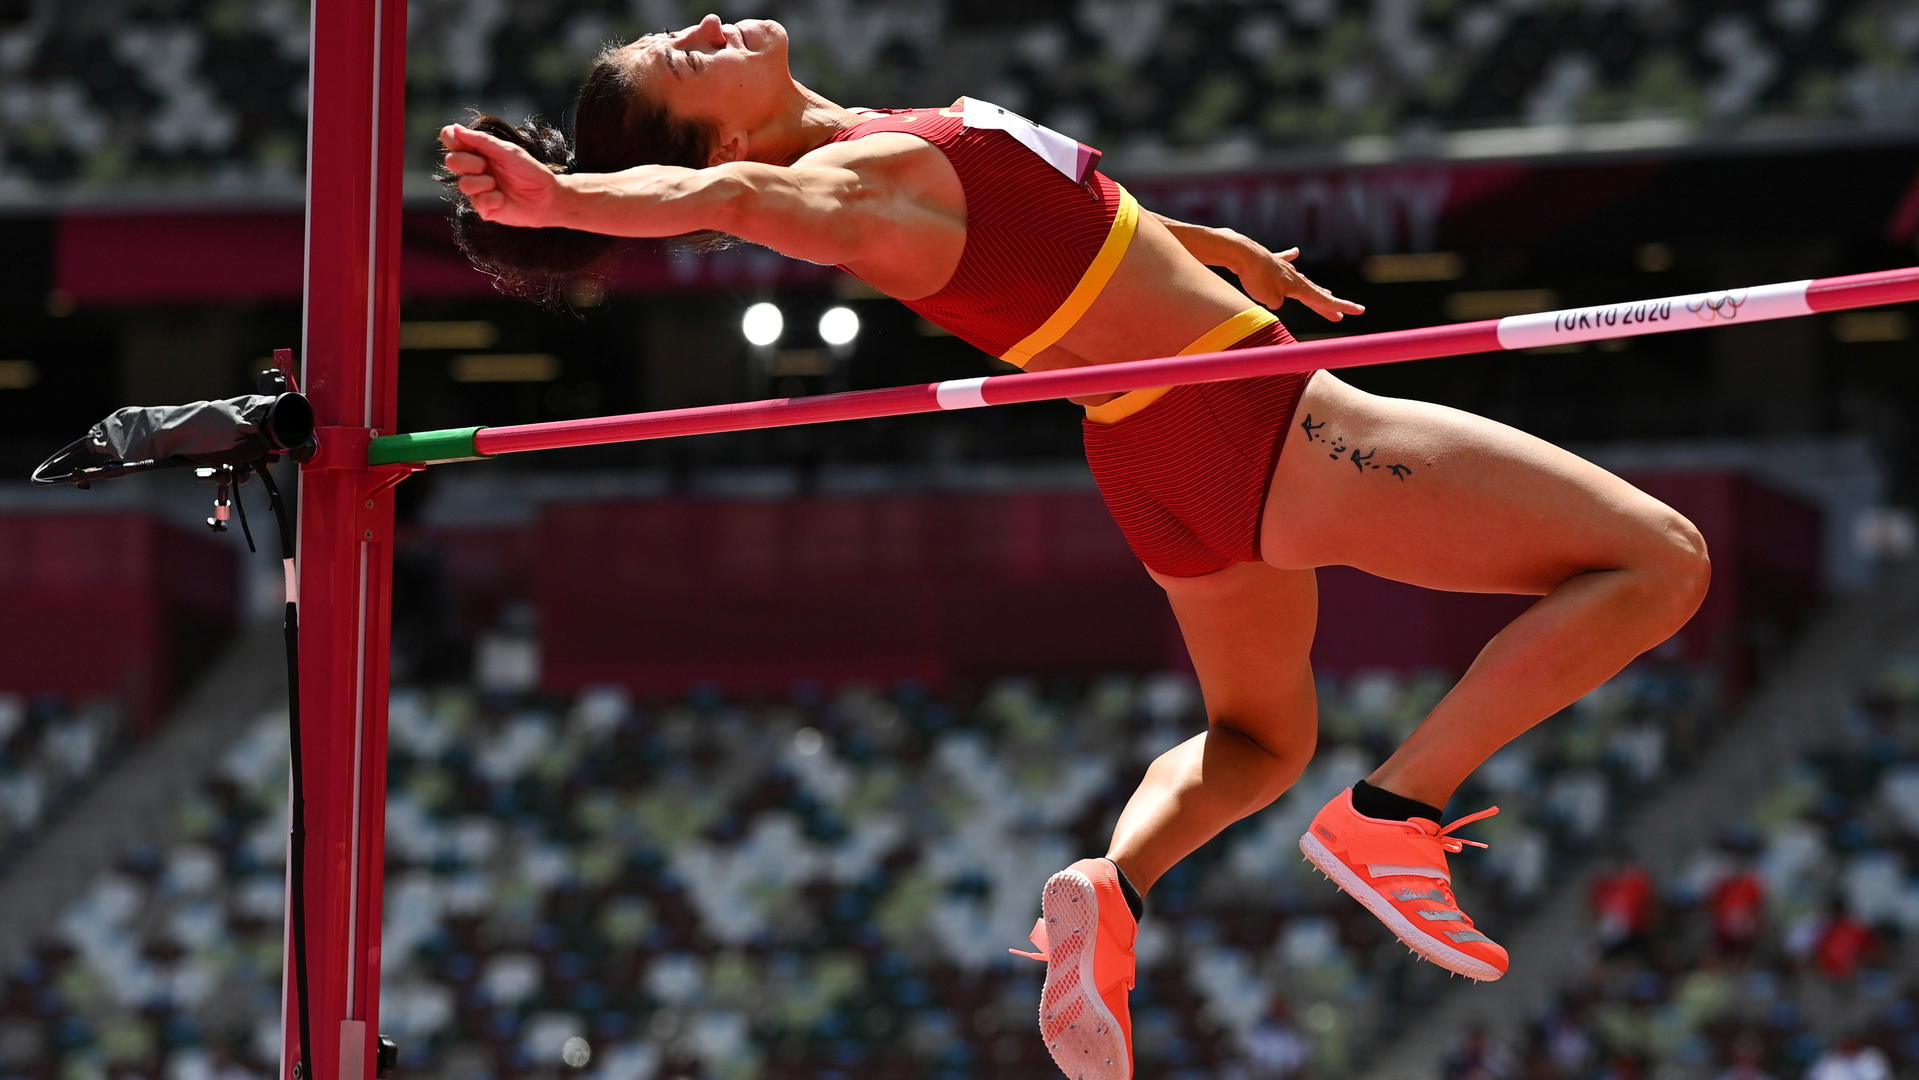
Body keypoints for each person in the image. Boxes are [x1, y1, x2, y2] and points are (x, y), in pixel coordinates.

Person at [438, 15, 1711, 1080]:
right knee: (1656, 561)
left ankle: (1112, 884)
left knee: (1259, 740)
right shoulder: (840, 184)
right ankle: (1396, 810)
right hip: (1252, 414)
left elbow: (1060, 217)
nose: (709, 24)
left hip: (1149, 452)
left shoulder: (881, 140)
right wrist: (571, 200)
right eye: (688, 56)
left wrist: (1200, 251)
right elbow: (722, 198)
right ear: (718, 128)